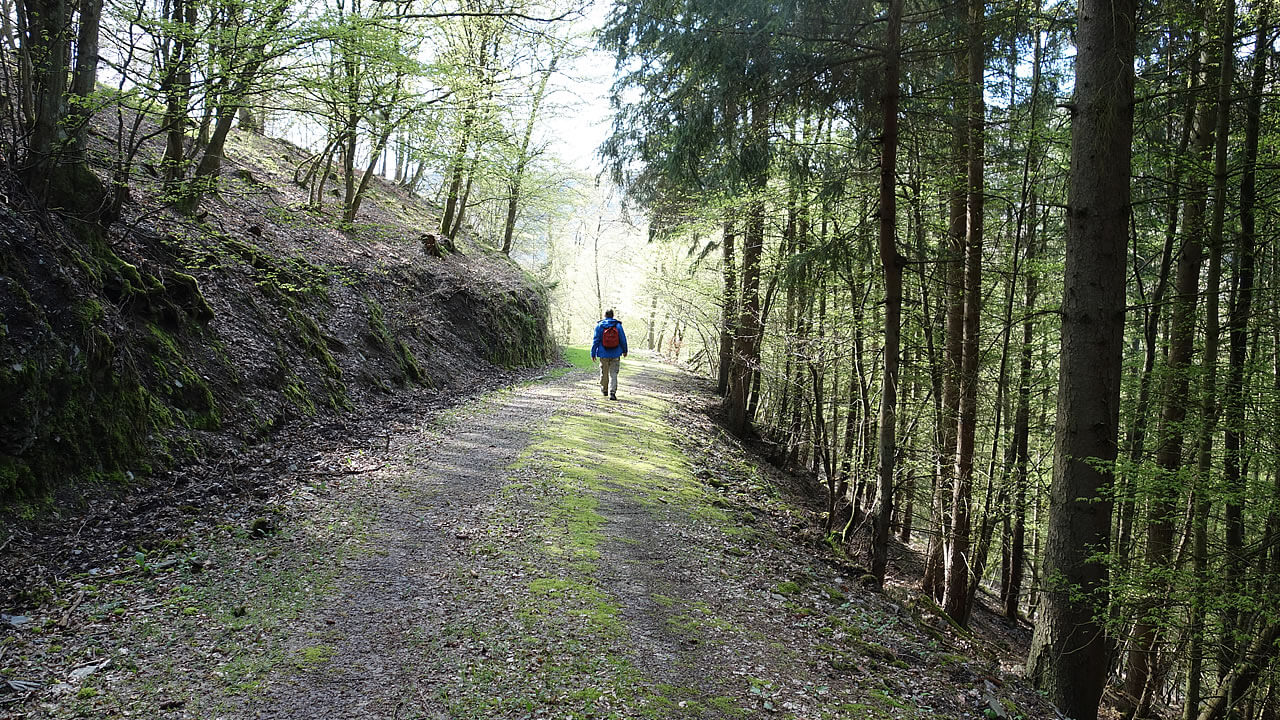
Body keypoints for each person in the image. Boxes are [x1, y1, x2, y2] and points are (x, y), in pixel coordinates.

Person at [590, 309, 628, 400]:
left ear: (605, 315)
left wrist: (593, 353)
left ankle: (604, 390)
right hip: (615, 353)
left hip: (603, 354)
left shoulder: (600, 326)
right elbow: (623, 339)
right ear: (612, 315)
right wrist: (625, 350)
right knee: (613, 373)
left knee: (604, 373)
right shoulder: (618, 325)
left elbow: (595, 340)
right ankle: (612, 392)